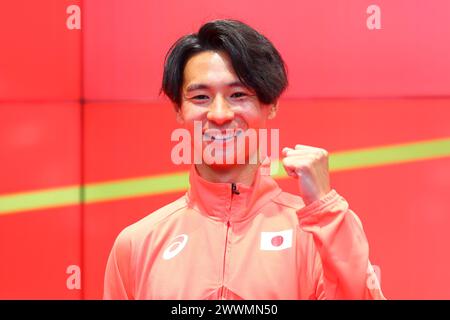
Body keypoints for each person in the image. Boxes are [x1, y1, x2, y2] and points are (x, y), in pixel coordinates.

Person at [103, 19, 385, 300]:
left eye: (238, 95)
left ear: (271, 104)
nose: (220, 114)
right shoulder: (137, 244)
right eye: (201, 97)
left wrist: (325, 211)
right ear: (179, 109)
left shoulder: (319, 234)